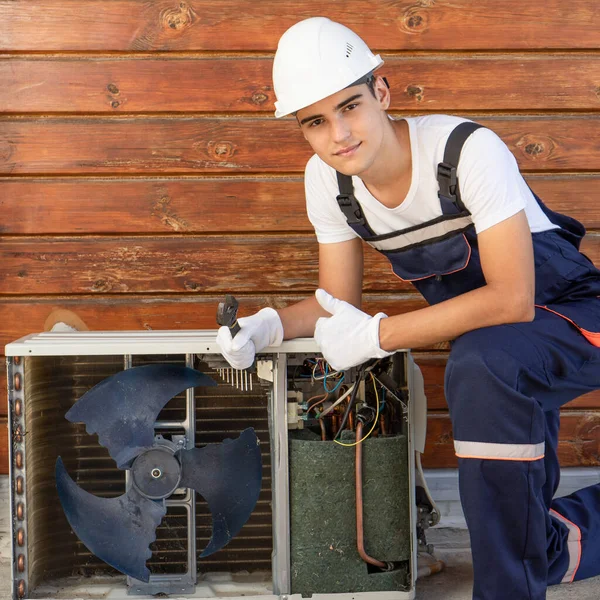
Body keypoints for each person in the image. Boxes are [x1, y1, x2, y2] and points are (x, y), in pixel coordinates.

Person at [216, 16, 600, 600]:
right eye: (315, 122)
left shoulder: (464, 151)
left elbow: (513, 297)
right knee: (529, 532)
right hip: (503, 345)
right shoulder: (330, 183)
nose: (338, 134)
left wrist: (381, 335)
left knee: (479, 362)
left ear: (383, 94)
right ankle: (544, 551)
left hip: (578, 315)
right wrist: (268, 325)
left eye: (350, 107)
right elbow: (337, 305)